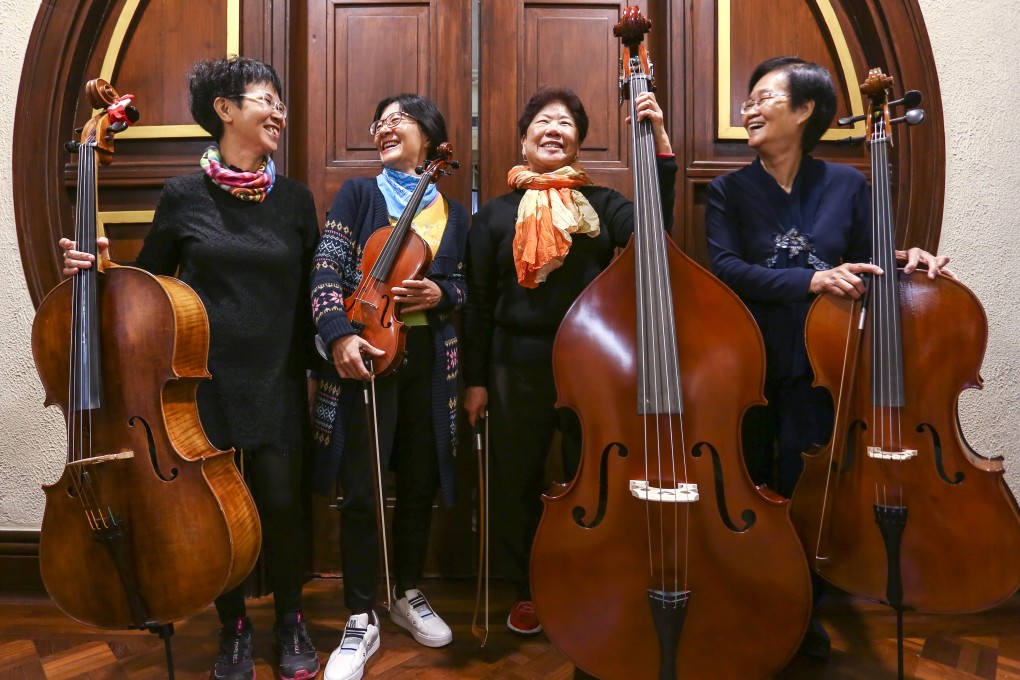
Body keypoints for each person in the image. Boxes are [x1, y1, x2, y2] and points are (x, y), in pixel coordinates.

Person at [60, 56, 321, 680]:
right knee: (213, 512)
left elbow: (317, 290)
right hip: (202, 387)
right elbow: (148, 285)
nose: (279, 111)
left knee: (283, 506)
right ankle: (232, 627)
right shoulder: (183, 195)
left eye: (280, 101)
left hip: (278, 378)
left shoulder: (296, 201)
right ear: (225, 109)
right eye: (266, 98)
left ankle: (291, 621)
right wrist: (100, 272)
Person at [704, 56, 952, 659]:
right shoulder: (727, 189)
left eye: (764, 97)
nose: (750, 108)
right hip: (752, 362)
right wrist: (809, 283)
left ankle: (803, 612)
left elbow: (871, 256)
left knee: (808, 490)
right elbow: (726, 269)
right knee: (754, 484)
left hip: (829, 366)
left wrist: (908, 257)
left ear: (806, 109)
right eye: (748, 100)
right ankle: (752, 602)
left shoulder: (848, 183)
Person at [462, 85, 676, 635]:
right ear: (524, 135)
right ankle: (525, 588)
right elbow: (479, 306)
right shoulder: (493, 216)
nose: (554, 129)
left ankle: (594, 577)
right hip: (516, 361)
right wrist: (477, 381)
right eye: (543, 120)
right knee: (515, 481)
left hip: (592, 364)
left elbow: (655, 232)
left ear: (579, 140)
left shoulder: (603, 207)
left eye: (566, 123)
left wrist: (659, 147)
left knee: (595, 478)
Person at [309, 94, 468, 680]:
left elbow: (466, 285)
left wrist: (443, 295)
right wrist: (339, 336)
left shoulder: (453, 212)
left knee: (420, 483)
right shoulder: (358, 195)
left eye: (398, 117)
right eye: (378, 120)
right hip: (367, 352)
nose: (383, 127)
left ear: (429, 134)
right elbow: (326, 268)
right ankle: (359, 613)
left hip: (430, 361)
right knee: (361, 487)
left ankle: (406, 592)